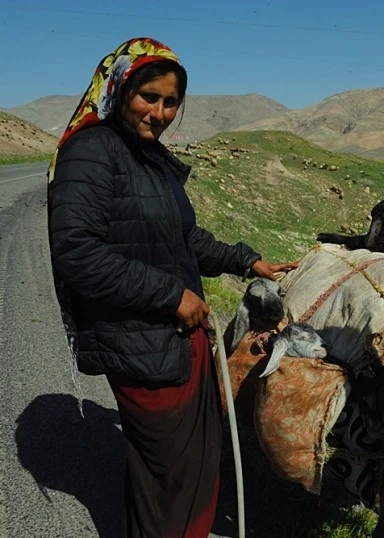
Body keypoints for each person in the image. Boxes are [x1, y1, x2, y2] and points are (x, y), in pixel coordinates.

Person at [47, 37, 297, 537]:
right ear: (120, 89)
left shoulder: (148, 156)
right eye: (149, 96)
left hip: (175, 340)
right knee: (171, 475)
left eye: (171, 102)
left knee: (186, 468)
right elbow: (78, 252)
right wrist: (170, 296)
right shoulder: (92, 152)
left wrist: (247, 260)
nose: (160, 112)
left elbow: (182, 237)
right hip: (140, 340)